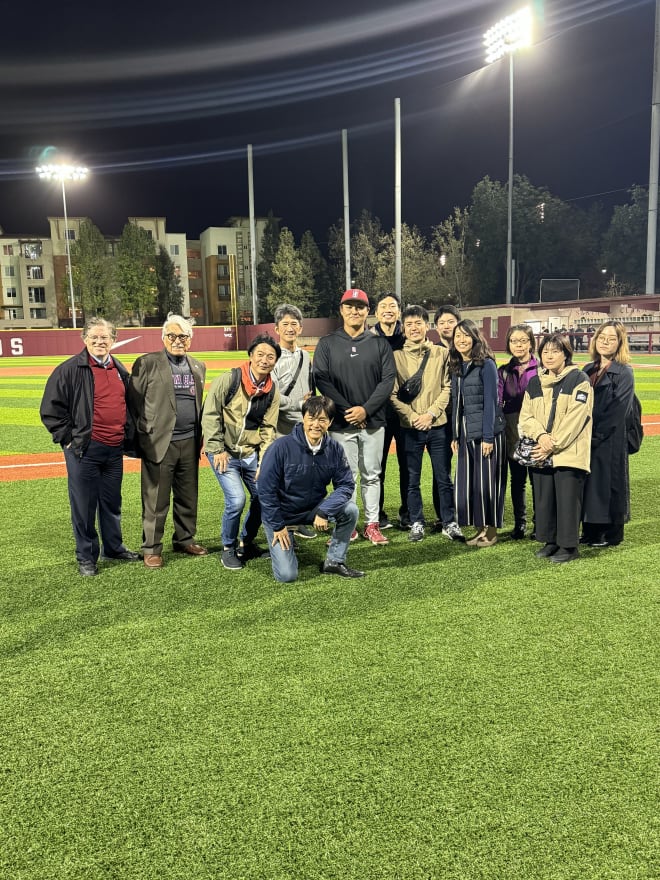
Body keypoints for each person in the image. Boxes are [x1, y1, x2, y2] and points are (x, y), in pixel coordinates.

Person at [40, 317, 140, 576]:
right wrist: (69, 439)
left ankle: (113, 547)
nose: (99, 341)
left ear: (113, 340)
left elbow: (128, 406)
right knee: (84, 507)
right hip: (85, 449)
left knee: (111, 502)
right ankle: (86, 556)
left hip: (114, 448)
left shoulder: (119, 369)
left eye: (104, 337)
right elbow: (51, 410)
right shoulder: (70, 369)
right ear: (84, 339)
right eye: (94, 337)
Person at [314, 288, 396, 546]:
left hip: (373, 421)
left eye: (359, 307)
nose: (354, 310)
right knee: (345, 476)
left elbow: (387, 381)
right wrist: (349, 409)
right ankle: (347, 524)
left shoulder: (379, 343)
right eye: (349, 306)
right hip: (340, 422)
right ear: (341, 310)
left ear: (366, 311)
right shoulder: (327, 343)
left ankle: (372, 524)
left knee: (372, 474)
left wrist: (366, 410)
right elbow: (322, 380)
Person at [127, 315, 208, 569]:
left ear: (190, 340)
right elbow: (134, 402)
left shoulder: (198, 366)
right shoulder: (147, 363)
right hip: (160, 442)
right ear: (163, 338)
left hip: (190, 441)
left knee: (187, 495)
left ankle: (184, 539)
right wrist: (146, 432)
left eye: (183, 336)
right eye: (172, 336)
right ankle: (151, 547)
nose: (177, 341)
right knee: (156, 498)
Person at [258, 396, 364, 581]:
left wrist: (324, 511)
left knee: (350, 510)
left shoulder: (335, 449)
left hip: (313, 510)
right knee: (287, 576)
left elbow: (346, 485)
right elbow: (265, 490)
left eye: (322, 420)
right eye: (311, 418)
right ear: (303, 419)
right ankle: (287, 537)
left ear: (329, 422)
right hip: (282, 515)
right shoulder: (280, 447)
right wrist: (277, 525)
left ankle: (334, 561)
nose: (316, 424)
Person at [202, 334, 281, 570]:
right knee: (237, 500)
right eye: (260, 354)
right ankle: (228, 547)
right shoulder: (230, 379)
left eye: (270, 356)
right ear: (250, 356)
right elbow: (210, 415)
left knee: (264, 496)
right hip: (223, 453)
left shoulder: (271, 391)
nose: (265, 360)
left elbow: (269, 429)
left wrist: (263, 463)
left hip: (249, 454)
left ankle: (247, 542)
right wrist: (217, 449)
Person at [390, 305, 463, 543]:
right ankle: (417, 522)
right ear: (404, 328)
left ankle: (449, 521)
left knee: (443, 477)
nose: (414, 328)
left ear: (426, 326)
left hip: (437, 425)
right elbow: (392, 395)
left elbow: (448, 387)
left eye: (418, 323)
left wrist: (430, 414)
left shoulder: (440, 353)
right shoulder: (396, 356)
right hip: (410, 427)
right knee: (412, 479)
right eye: (409, 324)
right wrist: (412, 417)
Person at [518, 333, 593, 564]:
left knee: (567, 499)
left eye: (555, 351)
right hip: (541, 449)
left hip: (568, 451)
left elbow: (577, 417)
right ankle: (550, 540)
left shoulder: (579, 379)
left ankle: (568, 546)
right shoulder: (535, 382)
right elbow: (526, 417)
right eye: (545, 352)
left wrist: (554, 443)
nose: (549, 356)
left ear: (566, 354)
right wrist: (541, 436)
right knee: (544, 498)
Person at [449, 319, 506, 548]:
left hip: (486, 434)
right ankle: (480, 529)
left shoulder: (486, 364)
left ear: (475, 337)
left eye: (465, 336)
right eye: (457, 337)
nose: (461, 340)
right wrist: (454, 436)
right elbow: (457, 403)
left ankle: (491, 532)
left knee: (487, 484)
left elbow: (491, 402)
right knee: (469, 485)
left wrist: (488, 437)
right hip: (465, 435)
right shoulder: (457, 366)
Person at [581, 321, 635, 547]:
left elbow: (618, 411)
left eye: (611, 338)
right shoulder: (587, 369)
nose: (605, 341)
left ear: (619, 343)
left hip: (609, 438)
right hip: (587, 437)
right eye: (601, 337)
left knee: (609, 484)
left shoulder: (624, 373)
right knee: (590, 484)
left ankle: (610, 533)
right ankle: (591, 530)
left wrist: (596, 436)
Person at [271, 303, 316, 540]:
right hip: (283, 427)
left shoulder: (305, 354)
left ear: (300, 327)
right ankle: (284, 524)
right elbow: (274, 398)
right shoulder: (273, 358)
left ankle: (299, 521)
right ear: (277, 328)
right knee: (284, 477)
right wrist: (299, 404)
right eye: (285, 324)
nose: (290, 328)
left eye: (294, 324)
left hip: (305, 427)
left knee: (303, 476)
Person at [370, 292, 409, 530]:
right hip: (379, 413)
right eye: (383, 306)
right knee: (377, 467)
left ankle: (407, 513)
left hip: (404, 412)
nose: (388, 309)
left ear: (399, 312)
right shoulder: (368, 338)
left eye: (392, 306)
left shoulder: (408, 337)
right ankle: (378, 513)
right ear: (376, 313)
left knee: (407, 465)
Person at [497, 324, 539, 539]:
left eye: (523, 340)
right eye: (514, 341)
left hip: (537, 429)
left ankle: (539, 523)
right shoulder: (503, 371)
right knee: (518, 479)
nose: (519, 345)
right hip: (513, 429)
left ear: (531, 343)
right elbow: (498, 401)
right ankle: (520, 524)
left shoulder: (541, 369)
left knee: (538, 480)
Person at [431, 303, 462, 530]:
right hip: (441, 418)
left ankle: (465, 511)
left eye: (451, 321)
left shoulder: (466, 348)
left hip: (463, 416)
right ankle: (443, 515)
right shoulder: (432, 351)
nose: (446, 326)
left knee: (467, 465)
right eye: (442, 322)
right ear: (436, 326)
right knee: (440, 469)